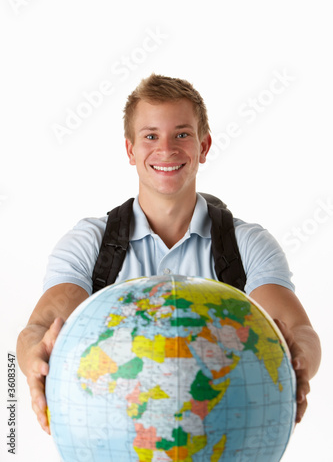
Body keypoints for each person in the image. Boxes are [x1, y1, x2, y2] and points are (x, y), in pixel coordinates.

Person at [17, 73, 321, 436]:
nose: (166, 149)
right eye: (150, 136)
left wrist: (300, 359)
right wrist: (35, 357)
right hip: (121, 440)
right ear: (130, 150)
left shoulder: (247, 244)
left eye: (181, 134)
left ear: (204, 146)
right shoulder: (89, 243)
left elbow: (297, 329)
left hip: (219, 436)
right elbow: (41, 326)